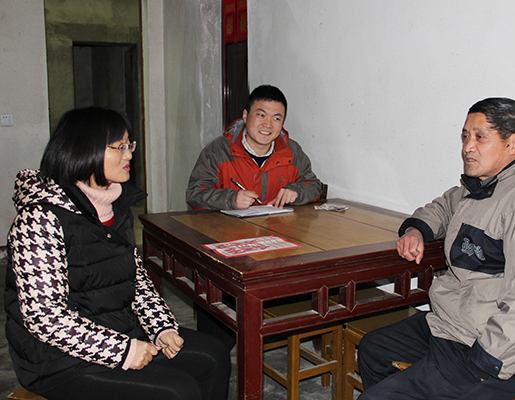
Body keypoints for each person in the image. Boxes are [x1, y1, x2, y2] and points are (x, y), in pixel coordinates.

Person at [357, 98, 515, 400]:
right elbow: (443, 206)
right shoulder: (484, 186)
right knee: (373, 349)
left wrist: (483, 360)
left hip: (494, 354)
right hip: (452, 326)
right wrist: (416, 230)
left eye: (480, 137)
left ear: (514, 143)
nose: (468, 147)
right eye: (465, 136)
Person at [4, 107, 230, 400]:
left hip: (119, 330)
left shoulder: (114, 207)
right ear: (84, 150)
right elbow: (45, 317)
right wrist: (123, 351)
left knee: (214, 355)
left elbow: (137, 282)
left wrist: (161, 328)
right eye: (119, 147)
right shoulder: (39, 219)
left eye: (129, 145)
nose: (129, 155)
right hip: (58, 359)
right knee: (177, 390)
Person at [186, 84, 322, 210]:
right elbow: (195, 194)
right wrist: (230, 199)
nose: (268, 125)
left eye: (276, 119)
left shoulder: (291, 151)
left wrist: (297, 191)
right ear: (245, 116)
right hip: (228, 227)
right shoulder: (218, 150)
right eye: (261, 115)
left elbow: (314, 186)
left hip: (277, 226)